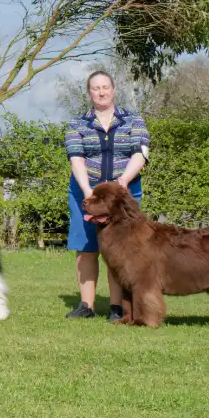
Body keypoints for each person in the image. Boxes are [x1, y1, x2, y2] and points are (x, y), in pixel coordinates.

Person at [65, 70, 149, 320]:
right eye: (95, 88)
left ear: (113, 89)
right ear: (89, 92)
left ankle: (117, 307)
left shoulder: (134, 120)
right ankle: (86, 306)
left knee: (121, 249)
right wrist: (89, 194)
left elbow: (140, 153)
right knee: (86, 248)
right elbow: (76, 159)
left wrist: (123, 181)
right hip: (86, 190)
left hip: (124, 193)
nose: (101, 92)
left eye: (105, 87)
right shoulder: (76, 124)